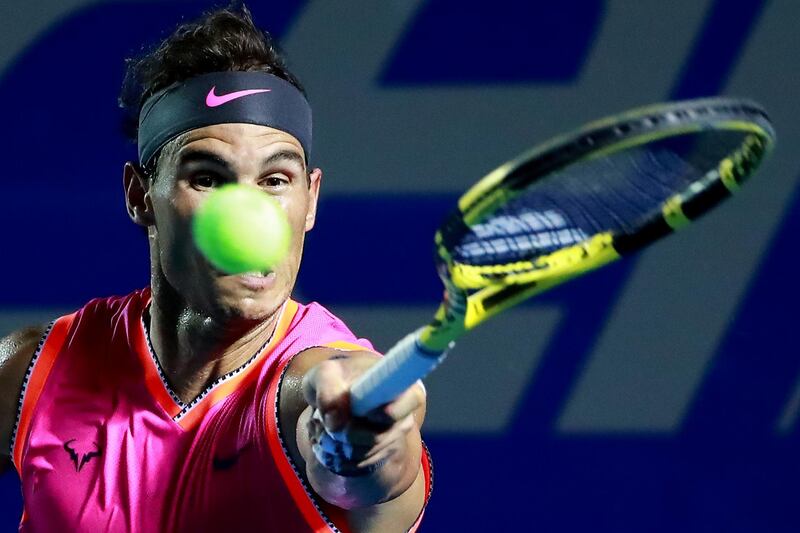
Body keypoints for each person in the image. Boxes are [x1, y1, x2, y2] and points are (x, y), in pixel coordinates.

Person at [0, 4, 431, 532]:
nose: (250, 218)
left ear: (311, 199)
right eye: (207, 178)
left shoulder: (306, 387)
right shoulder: (34, 371)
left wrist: (367, 441)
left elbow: (371, 477)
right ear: (140, 196)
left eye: (275, 181)